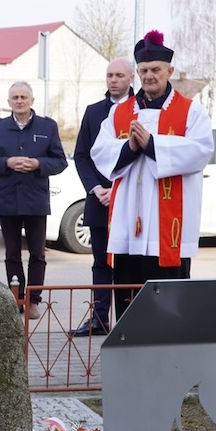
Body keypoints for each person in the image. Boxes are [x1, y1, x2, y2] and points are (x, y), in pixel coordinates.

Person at [91, 30, 214, 319]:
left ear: (169, 71)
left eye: (155, 70)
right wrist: (130, 148)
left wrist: (152, 144)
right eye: (143, 70)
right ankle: (129, 356)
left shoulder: (191, 112)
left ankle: (171, 359)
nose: (149, 76)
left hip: (167, 228)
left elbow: (200, 151)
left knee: (168, 311)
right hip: (127, 226)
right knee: (129, 305)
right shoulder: (120, 113)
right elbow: (100, 151)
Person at [0, 81, 68, 320]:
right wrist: (7, 163)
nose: (19, 101)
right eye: (15, 97)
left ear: (32, 100)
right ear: (9, 102)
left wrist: (39, 164)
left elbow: (60, 161)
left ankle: (33, 300)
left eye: (23, 97)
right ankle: (16, 297)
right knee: (12, 253)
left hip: (35, 200)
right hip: (8, 199)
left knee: (38, 253)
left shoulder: (47, 127)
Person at [70, 58, 135, 336]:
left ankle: (132, 321)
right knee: (100, 261)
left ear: (131, 78)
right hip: (100, 198)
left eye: (119, 75)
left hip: (131, 200)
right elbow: (82, 155)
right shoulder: (94, 112)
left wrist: (120, 189)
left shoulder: (142, 110)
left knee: (129, 263)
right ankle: (99, 317)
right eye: (109, 75)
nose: (113, 80)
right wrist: (96, 189)